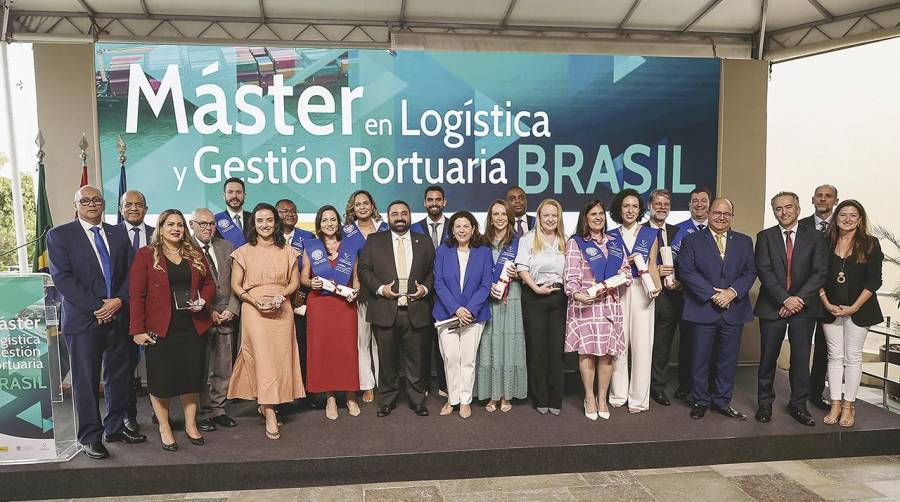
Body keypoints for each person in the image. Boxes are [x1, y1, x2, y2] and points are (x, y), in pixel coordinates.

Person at [47, 185, 146, 459]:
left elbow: (132, 272)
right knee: (85, 381)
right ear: (75, 204)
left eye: (97, 200)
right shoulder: (59, 235)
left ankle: (113, 427)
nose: (92, 204)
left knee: (119, 377)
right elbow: (63, 279)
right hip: (83, 321)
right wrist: (98, 307)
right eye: (86, 200)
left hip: (117, 315)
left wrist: (118, 301)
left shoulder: (117, 233)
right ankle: (90, 436)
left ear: (103, 205)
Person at [130, 209, 216, 451]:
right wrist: (137, 329)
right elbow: (137, 295)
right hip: (160, 329)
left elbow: (209, 283)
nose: (176, 228)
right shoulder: (146, 255)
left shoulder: (194, 252)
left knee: (191, 378)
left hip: (191, 326)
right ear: (161, 227)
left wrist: (204, 300)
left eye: (179, 224)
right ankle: (165, 427)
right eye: (170, 224)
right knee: (161, 381)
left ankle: (191, 424)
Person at [227, 203, 306, 439]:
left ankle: (268, 404)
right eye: (259, 220)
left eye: (269, 220)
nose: (264, 225)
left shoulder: (289, 251)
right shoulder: (242, 252)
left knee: (281, 358)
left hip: (282, 309)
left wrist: (283, 296)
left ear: (276, 223)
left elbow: (294, 283)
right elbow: (236, 286)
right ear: (253, 224)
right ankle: (270, 411)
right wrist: (252, 300)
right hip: (254, 310)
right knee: (263, 359)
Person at [678, 198, 757, 420]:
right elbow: (686, 271)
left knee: (727, 360)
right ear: (709, 213)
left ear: (732, 216)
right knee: (699, 359)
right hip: (702, 309)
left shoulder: (744, 241)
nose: (721, 217)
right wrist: (713, 294)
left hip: (733, 310)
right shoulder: (692, 240)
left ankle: (722, 402)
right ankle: (700, 401)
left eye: (727, 214)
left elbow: (750, 272)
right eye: (717, 212)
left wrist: (731, 292)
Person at [754, 192, 827, 426]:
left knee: (800, 358)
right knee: (767, 358)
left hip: (803, 309)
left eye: (788, 207)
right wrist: (785, 300)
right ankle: (764, 404)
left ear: (797, 209)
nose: (783, 212)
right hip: (772, 306)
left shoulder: (815, 237)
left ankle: (798, 405)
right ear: (773, 211)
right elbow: (764, 272)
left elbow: (819, 273)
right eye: (778, 209)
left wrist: (796, 300)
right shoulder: (764, 237)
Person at [358, 200, 435, 417]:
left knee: (417, 361)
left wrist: (426, 289)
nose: (399, 217)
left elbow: (432, 272)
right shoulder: (374, 241)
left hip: (416, 309)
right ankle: (387, 400)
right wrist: (381, 289)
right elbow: (364, 270)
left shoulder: (425, 241)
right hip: (385, 310)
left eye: (404, 213)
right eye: (394, 214)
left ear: (410, 216)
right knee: (387, 361)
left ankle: (417, 400)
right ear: (387, 217)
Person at [564, 199, 631, 421]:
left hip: (609, 305)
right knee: (588, 353)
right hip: (586, 305)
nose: (598, 217)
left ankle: (602, 397)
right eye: (593, 214)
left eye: (601, 213)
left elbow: (626, 273)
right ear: (585, 217)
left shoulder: (614, 242)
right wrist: (578, 294)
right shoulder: (576, 243)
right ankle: (589, 397)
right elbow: (570, 277)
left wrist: (613, 283)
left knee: (607, 355)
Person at [819, 200, 883, 428]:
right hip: (830, 309)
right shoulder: (825, 242)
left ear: (860, 219)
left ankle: (849, 405)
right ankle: (835, 403)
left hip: (859, 310)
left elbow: (875, 280)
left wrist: (854, 307)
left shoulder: (870, 244)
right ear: (835, 218)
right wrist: (825, 302)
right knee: (834, 357)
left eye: (852, 215)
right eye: (842, 214)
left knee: (853, 357)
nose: (847, 219)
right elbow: (817, 275)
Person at [300, 205, 361, 420]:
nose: (329, 223)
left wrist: (356, 290)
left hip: (344, 305)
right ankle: (331, 397)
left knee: (347, 350)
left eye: (333, 219)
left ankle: (351, 395)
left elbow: (355, 277)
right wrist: (312, 283)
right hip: (320, 305)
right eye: (324, 219)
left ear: (339, 222)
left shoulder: (349, 246)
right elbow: (304, 278)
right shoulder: (312, 247)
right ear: (319, 223)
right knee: (324, 351)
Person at [433, 211, 493, 419]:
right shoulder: (442, 251)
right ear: (452, 230)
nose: (461, 230)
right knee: (451, 357)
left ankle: (465, 400)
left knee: (468, 359)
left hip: (473, 315)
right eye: (457, 226)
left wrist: (468, 310)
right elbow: (438, 283)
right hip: (446, 314)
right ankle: (452, 399)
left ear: (474, 229)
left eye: (466, 226)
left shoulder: (484, 252)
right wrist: (456, 309)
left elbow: (486, 284)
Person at [607, 189, 662, 413]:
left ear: (640, 210)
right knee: (618, 344)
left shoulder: (650, 234)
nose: (630, 210)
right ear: (619, 209)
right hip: (617, 290)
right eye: (626, 206)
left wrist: (656, 288)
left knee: (642, 345)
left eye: (635, 207)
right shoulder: (610, 235)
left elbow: (651, 266)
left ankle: (638, 399)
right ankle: (618, 394)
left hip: (642, 290)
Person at [475, 200, 528, 413]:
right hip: (488, 297)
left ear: (509, 217)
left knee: (510, 342)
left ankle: (506, 394)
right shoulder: (481, 242)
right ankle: (491, 394)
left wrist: (520, 274)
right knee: (490, 344)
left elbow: (530, 269)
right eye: (495, 214)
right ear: (490, 217)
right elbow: (476, 271)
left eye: (503, 214)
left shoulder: (520, 242)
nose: (499, 218)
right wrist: (487, 287)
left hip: (513, 296)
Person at [190, 208, 240, 432]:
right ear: (192, 224)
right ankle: (202, 412)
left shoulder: (226, 247)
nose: (208, 228)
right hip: (200, 318)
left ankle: (219, 410)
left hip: (226, 317)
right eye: (202, 223)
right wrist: (207, 310)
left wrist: (232, 308)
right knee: (200, 368)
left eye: (211, 224)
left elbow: (236, 281)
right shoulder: (184, 249)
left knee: (223, 368)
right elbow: (186, 286)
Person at [515, 199, 567, 415]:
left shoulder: (566, 241)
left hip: (559, 297)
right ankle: (540, 397)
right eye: (546, 215)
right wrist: (536, 288)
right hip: (534, 296)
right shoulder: (528, 239)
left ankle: (555, 398)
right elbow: (521, 267)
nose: (550, 219)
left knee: (556, 349)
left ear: (559, 217)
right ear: (539, 216)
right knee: (537, 349)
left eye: (554, 215)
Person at [343, 190, 389, 404]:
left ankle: (383, 382)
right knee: (362, 341)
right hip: (359, 292)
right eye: (357, 204)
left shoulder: (384, 228)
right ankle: (367, 385)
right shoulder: (346, 231)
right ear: (352, 208)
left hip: (383, 292)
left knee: (382, 340)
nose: (362, 207)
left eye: (365, 203)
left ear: (372, 205)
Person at [670, 186, 714, 400]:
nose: (699, 204)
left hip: (714, 297)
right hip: (685, 296)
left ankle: (709, 385)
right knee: (688, 342)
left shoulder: (718, 230)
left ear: (710, 203)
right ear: (689, 205)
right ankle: (685, 384)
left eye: (703, 200)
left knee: (711, 344)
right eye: (694, 200)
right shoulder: (677, 230)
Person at [644, 189, 686, 407]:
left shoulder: (678, 232)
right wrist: (654, 271)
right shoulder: (638, 231)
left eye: (665, 204)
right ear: (649, 205)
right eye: (657, 203)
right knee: (641, 344)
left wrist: (680, 282)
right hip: (643, 295)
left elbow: (686, 264)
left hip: (670, 297)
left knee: (662, 345)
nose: (661, 207)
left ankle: (657, 387)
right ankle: (637, 387)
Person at [799, 184, 840, 411]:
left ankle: (816, 393)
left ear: (835, 200)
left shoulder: (843, 226)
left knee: (825, 350)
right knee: (802, 348)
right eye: (819, 196)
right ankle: (799, 394)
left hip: (831, 300)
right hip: (805, 297)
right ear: (812, 199)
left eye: (828, 196)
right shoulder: (801, 225)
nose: (823, 199)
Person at [118, 189, 154, 434]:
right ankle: (128, 415)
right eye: (128, 204)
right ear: (121, 208)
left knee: (158, 365)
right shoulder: (110, 234)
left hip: (154, 311)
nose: (133, 208)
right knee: (125, 366)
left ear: (146, 209)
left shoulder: (157, 235)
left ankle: (160, 413)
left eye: (138, 204)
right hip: (122, 311)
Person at [411, 185, 450, 397]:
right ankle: (423, 385)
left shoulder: (457, 226)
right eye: (430, 200)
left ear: (444, 202)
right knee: (422, 342)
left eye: (438, 199)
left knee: (445, 343)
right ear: (424, 203)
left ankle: (445, 384)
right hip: (422, 293)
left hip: (449, 295)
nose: (434, 203)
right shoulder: (414, 228)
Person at [277, 198, 316, 400]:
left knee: (302, 345)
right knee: (280, 349)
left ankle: (305, 392)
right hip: (276, 301)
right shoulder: (269, 237)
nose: (290, 214)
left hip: (301, 301)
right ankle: (283, 393)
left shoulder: (308, 237)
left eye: (293, 210)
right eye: (284, 211)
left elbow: (315, 268)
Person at [214, 177, 251, 249]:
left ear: (244, 195)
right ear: (224, 196)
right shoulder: (215, 221)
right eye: (230, 192)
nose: (234, 196)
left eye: (238, 192)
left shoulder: (254, 218)